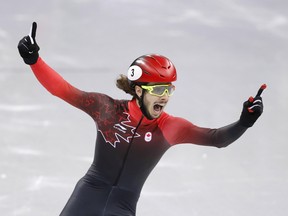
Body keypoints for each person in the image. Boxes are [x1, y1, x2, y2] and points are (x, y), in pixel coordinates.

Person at [18, 22, 265, 216]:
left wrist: (244, 121)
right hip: (87, 196)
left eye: (169, 90)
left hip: (122, 206)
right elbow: (64, 90)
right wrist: (34, 61)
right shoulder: (107, 109)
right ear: (139, 90)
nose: (165, 97)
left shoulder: (170, 127)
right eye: (158, 90)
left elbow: (217, 139)